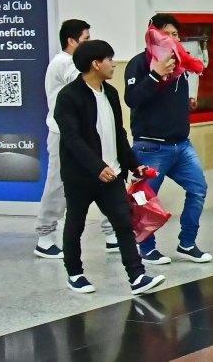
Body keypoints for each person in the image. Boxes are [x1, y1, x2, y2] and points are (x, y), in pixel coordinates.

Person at [56, 40, 165, 295]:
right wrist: (96, 167)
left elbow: (119, 134)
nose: (114, 64)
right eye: (109, 59)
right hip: (81, 176)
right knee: (76, 224)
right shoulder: (69, 97)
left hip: (112, 174)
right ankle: (75, 273)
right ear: (96, 64)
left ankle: (137, 276)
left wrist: (134, 165)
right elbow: (72, 138)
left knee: (123, 223)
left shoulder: (111, 93)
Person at [125, 14, 212, 266]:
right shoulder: (139, 63)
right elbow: (132, 99)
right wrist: (155, 75)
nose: (173, 39)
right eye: (167, 34)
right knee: (145, 199)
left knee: (198, 189)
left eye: (176, 35)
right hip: (151, 146)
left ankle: (187, 242)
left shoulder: (180, 65)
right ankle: (147, 248)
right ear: (154, 35)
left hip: (181, 145)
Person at [35, 19, 119, 259]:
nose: (89, 44)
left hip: (90, 136)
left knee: (108, 177)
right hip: (64, 137)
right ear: (71, 41)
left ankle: (112, 232)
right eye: (86, 40)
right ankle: (45, 236)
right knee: (58, 185)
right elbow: (86, 82)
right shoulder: (63, 63)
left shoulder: (75, 64)